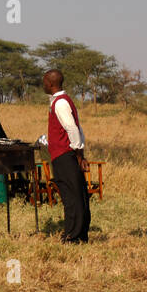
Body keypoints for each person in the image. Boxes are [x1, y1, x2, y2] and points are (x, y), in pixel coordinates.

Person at [37, 69, 91, 243]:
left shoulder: (60, 103)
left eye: (45, 82)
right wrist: (80, 154)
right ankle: (78, 234)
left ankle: (73, 236)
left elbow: (72, 129)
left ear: (50, 83)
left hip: (64, 155)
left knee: (71, 197)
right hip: (68, 154)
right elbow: (77, 128)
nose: (43, 85)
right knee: (76, 194)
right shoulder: (62, 101)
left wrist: (77, 152)